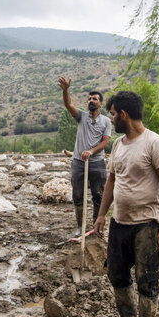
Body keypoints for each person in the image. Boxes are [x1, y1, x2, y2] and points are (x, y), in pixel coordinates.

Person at [94, 90, 159, 317]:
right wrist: (101, 215)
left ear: (124, 115)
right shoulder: (118, 145)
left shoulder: (155, 143)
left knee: (147, 281)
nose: (112, 118)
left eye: (113, 113)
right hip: (120, 223)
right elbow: (111, 181)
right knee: (117, 275)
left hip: (147, 226)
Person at [58, 76, 112, 235]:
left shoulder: (106, 121)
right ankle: (80, 227)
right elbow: (68, 104)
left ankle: (97, 227)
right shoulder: (81, 116)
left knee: (98, 195)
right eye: (89, 98)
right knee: (77, 194)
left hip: (97, 162)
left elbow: (105, 142)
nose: (91, 100)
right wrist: (66, 90)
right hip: (78, 162)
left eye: (95, 99)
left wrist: (91, 151)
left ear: (100, 103)